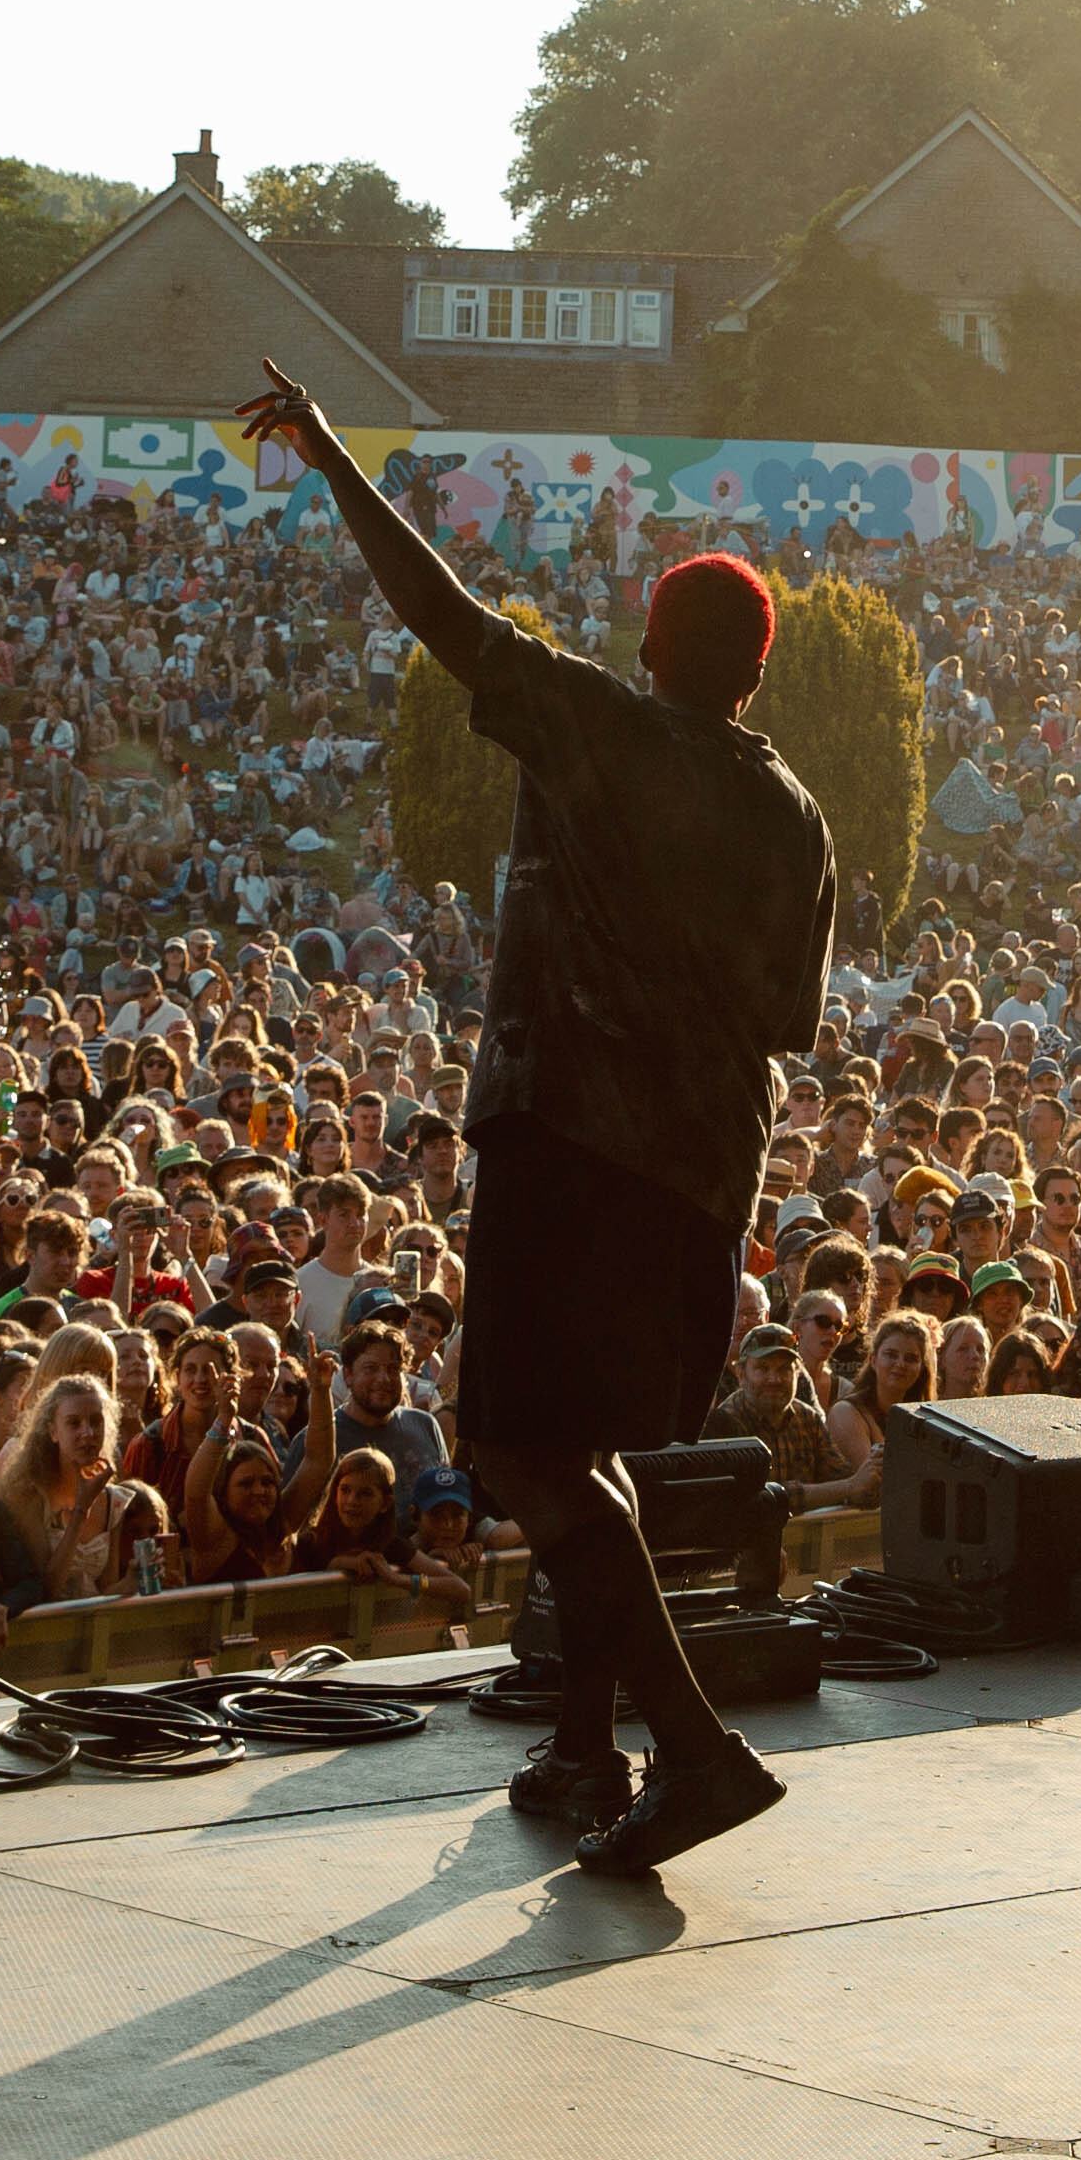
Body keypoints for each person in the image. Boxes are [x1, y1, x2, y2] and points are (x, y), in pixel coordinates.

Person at [242, 358, 830, 1882]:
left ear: (648, 647)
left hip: (573, 1142)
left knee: (515, 1442)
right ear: (755, 676)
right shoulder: (797, 816)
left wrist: (332, 461)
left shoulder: (601, 735)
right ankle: (587, 1745)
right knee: (594, 1451)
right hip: (700, 1178)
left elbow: (443, 614)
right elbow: (790, 1022)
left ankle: (695, 1751)